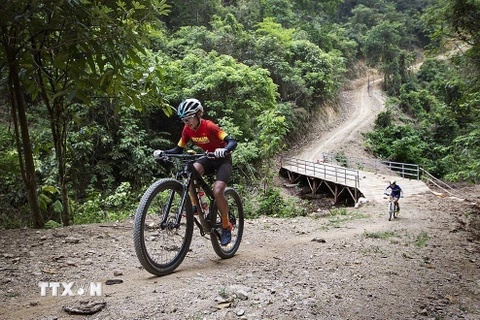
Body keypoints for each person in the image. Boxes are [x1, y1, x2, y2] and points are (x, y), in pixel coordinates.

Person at [154, 98, 237, 246]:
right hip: (207, 158)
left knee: (218, 191)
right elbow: (179, 149)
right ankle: (198, 206)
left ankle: (226, 226)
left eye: (189, 118)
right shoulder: (187, 130)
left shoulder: (209, 126)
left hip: (223, 159)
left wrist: (224, 150)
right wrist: (164, 152)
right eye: (183, 119)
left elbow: (232, 141)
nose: (186, 121)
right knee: (190, 171)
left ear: (199, 114)